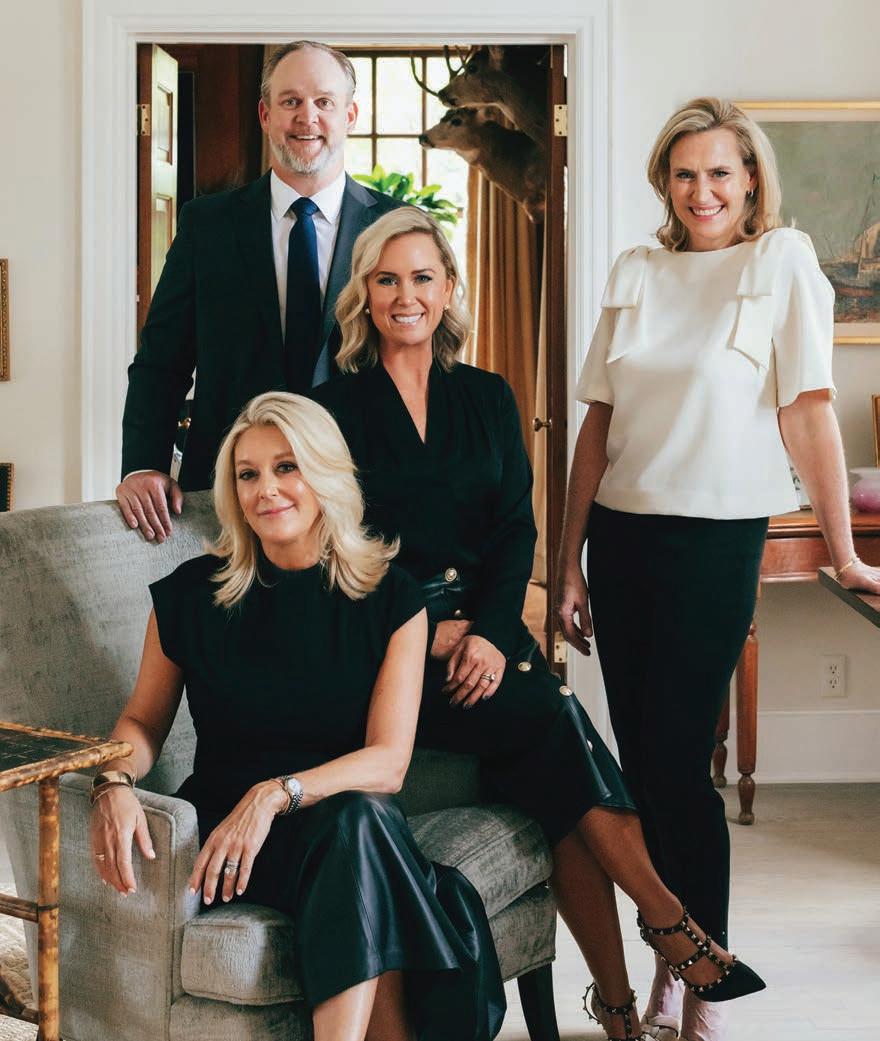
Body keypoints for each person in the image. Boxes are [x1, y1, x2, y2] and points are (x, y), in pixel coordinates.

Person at [311, 207, 765, 1041]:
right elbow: (334, 547)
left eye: (422, 277)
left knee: (556, 771)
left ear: (450, 288)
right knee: (557, 723)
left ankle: (624, 1004)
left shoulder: (487, 395)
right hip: (390, 649)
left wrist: (488, 631)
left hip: (488, 636)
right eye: (387, 279)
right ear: (364, 295)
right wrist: (422, 629)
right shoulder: (330, 409)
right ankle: (666, 923)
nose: (406, 295)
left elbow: (514, 529)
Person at [556, 97, 880, 1041]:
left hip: (715, 541)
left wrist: (845, 550)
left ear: (750, 180)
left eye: (720, 173)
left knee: (677, 764)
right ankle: (674, 955)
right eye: (685, 173)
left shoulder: (783, 262)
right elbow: (598, 426)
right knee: (642, 766)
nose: (702, 191)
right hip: (622, 539)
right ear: (666, 182)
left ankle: (704, 970)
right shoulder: (636, 270)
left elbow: (808, 411)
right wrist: (567, 562)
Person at [91, 391, 507, 1041]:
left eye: (287, 467)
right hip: (234, 841)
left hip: (336, 824)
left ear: (325, 473)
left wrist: (275, 794)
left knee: (358, 819)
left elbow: (389, 762)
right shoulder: (191, 595)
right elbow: (143, 722)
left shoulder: (393, 597)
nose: (266, 489)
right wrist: (112, 781)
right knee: (367, 838)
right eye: (247, 473)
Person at [118, 41, 405, 543]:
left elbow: (422, 367)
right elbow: (161, 360)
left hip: (362, 487)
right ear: (265, 115)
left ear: (350, 115)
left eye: (324, 102)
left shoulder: (397, 226)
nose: (307, 117)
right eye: (290, 101)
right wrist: (143, 464)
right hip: (230, 494)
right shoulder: (207, 224)